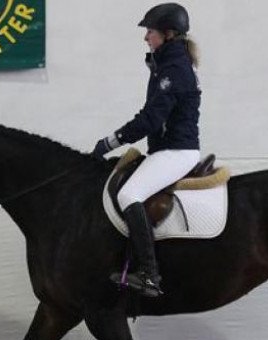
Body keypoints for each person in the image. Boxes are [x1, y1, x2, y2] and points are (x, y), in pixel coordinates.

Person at [91, 3, 201, 298]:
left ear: (168, 34)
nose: (146, 38)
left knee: (129, 195)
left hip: (177, 152)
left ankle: (150, 275)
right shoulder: (165, 64)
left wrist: (110, 142)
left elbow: (151, 119)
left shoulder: (173, 70)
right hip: (165, 150)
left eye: (150, 32)